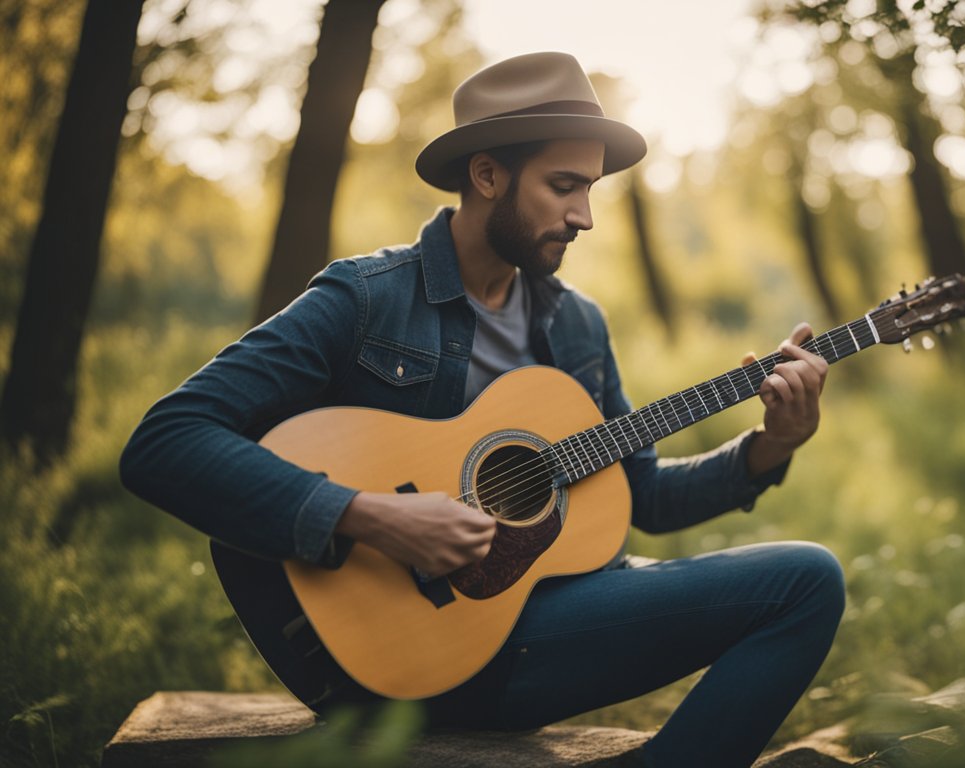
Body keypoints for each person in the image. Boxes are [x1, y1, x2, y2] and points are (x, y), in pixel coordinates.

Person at [121, 51, 844, 768]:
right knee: (806, 582)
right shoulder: (365, 299)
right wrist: (373, 517)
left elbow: (644, 495)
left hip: (529, 629)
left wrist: (771, 445)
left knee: (806, 578)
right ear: (488, 174)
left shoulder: (576, 325)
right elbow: (166, 442)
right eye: (564, 186)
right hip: (389, 658)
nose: (583, 216)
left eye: (590, 189)